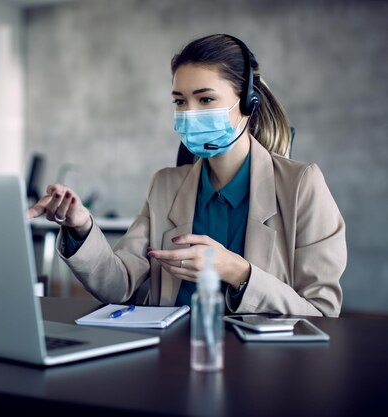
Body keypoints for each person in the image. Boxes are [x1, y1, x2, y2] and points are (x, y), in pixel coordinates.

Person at [27, 34, 346, 317]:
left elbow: (321, 312)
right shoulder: (165, 184)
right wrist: (81, 227)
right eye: (180, 101)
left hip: (259, 368)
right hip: (170, 358)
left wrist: (238, 272)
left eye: (206, 99)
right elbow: (119, 284)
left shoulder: (302, 185)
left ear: (248, 104)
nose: (189, 114)